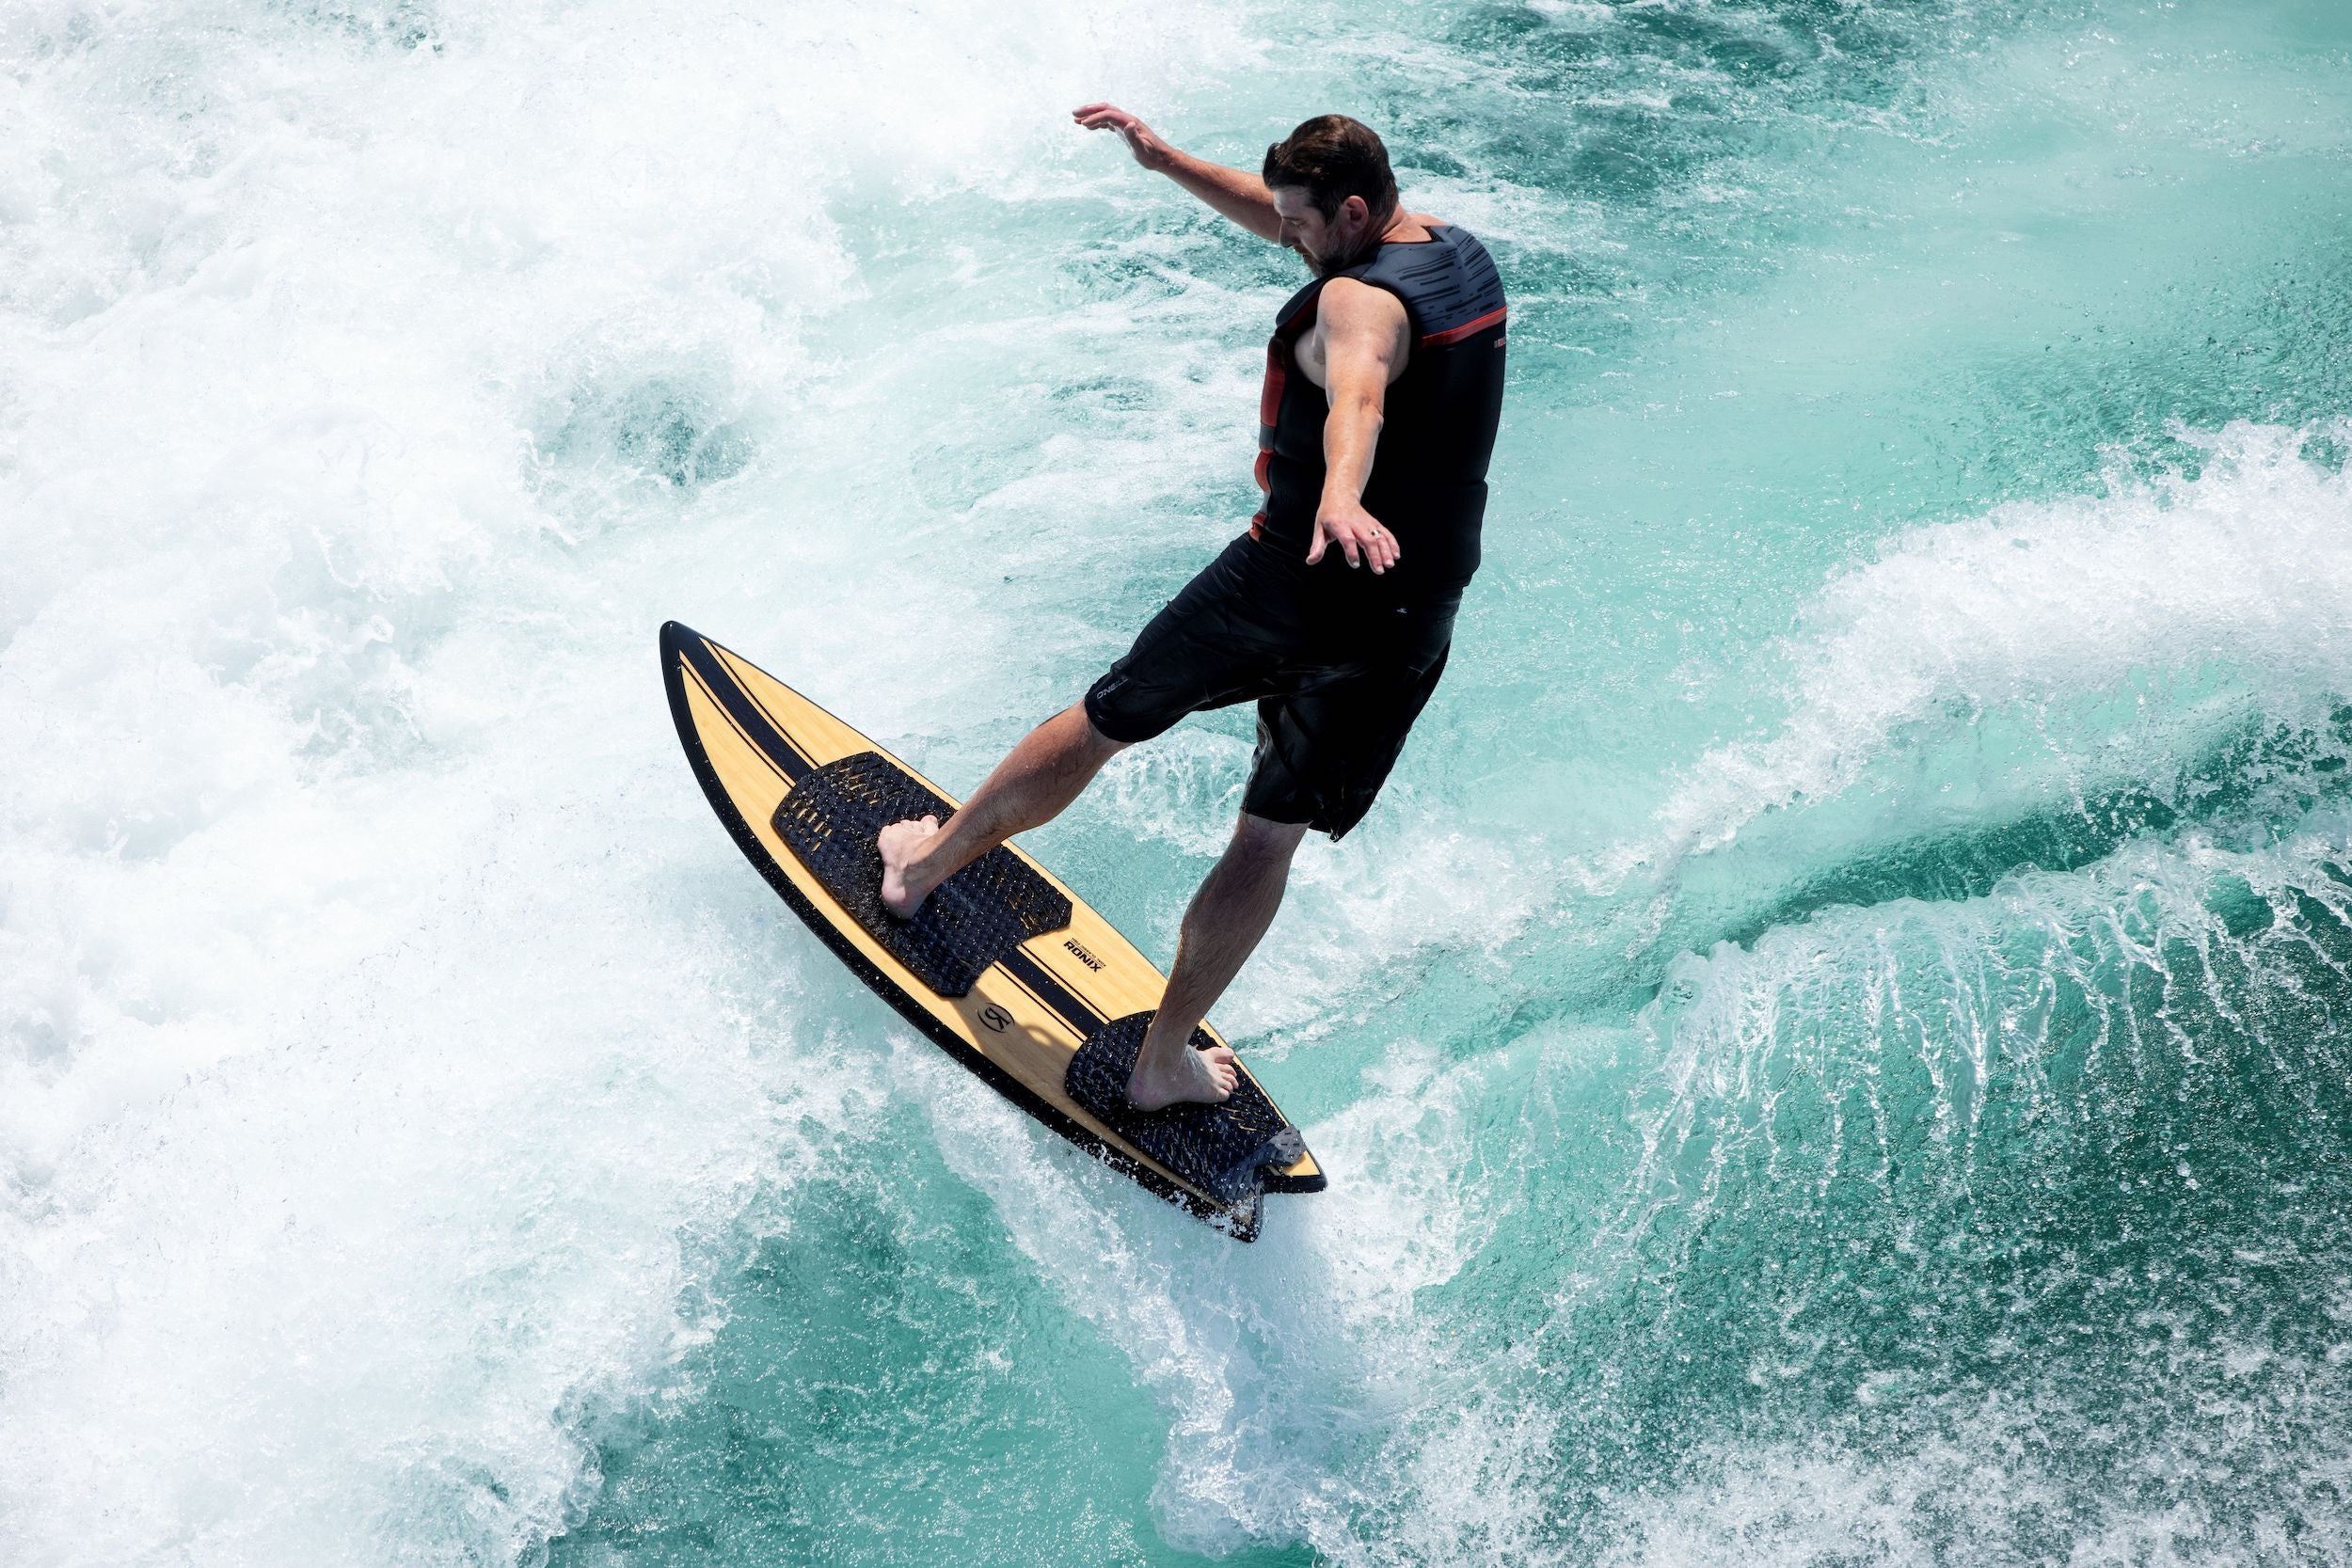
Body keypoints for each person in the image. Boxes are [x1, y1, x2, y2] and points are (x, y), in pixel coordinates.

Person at [878, 106, 1508, 1110]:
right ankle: (1162, 1060)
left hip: (1288, 585)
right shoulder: (1455, 257)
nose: (1287, 238)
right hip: (1406, 616)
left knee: (1106, 717)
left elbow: (1359, 399)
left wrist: (1341, 494)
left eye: (1301, 222)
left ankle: (920, 869)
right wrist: (1166, 161)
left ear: (1349, 212)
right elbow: (1289, 225)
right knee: (1269, 835)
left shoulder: (1354, 307)